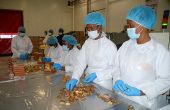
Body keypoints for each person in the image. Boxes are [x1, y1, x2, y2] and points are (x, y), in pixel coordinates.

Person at [112, 5, 170, 109]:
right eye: (127, 26)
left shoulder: (159, 51)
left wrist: (141, 92)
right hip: (121, 99)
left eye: (130, 25)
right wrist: (117, 79)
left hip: (143, 102)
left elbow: (166, 80)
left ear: (142, 26)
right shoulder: (126, 46)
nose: (128, 29)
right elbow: (116, 67)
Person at [65, 12, 117, 91]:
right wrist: (75, 77)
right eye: (87, 28)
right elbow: (80, 62)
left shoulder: (109, 45)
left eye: (92, 28)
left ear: (99, 28)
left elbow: (115, 69)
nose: (89, 31)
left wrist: (97, 75)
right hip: (88, 80)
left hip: (103, 83)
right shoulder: (87, 42)